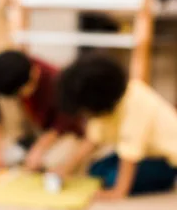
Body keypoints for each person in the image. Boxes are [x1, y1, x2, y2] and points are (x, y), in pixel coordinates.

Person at [53, 54, 177, 200]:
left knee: (113, 178)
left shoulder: (136, 102)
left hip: (166, 160)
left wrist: (118, 191)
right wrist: (66, 168)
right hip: (143, 154)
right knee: (96, 169)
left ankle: (163, 181)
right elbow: (92, 141)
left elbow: (129, 154)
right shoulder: (104, 110)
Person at [0, 50, 84, 170]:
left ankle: (29, 151)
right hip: (31, 130)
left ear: (35, 74)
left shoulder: (55, 79)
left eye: (22, 91)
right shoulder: (6, 75)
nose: (21, 96)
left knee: (51, 163)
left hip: (63, 134)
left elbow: (63, 123)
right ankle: (23, 148)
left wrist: (40, 148)